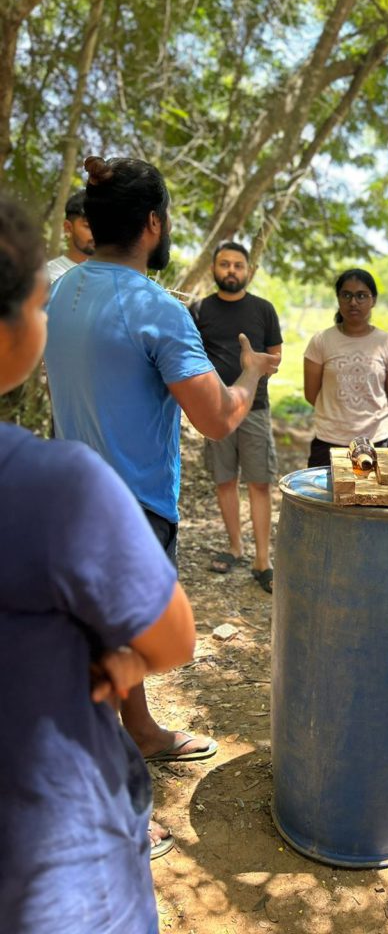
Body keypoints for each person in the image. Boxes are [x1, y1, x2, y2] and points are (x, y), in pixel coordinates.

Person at [0, 192, 197, 933]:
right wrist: (123, 664)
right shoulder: (57, 490)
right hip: (53, 871)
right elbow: (172, 640)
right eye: (39, 304)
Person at [45, 156, 279, 765]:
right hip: (130, 508)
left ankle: (142, 729)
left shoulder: (64, 287)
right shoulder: (155, 308)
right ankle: (109, 804)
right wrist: (250, 376)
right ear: (153, 222)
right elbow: (217, 418)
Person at [189, 240, 282, 593]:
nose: (231, 270)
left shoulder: (263, 309)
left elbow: (275, 358)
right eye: (224, 264)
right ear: (214, 269)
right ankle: (234, 547)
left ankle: (262, 559)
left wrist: (255, 370)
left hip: (255, 409)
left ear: (248, 271)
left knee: (260, 482)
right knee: (224, 479)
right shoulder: (199, 310)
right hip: (214, 411)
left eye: (238, 265)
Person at [304, 268, 388, 466]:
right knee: (327, 497)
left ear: (373, 300)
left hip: (378, 440)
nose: (353, 302)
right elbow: (311, 394)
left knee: (377, 497)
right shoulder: (321, 341)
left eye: (361, 296)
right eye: (347, 295)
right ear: (338, 298)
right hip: (329, 441)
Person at [46, 189, 94, 282]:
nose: (97, 233)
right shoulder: (51, 276)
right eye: (88, 226)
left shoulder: (115, 274)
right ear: (68, 228)